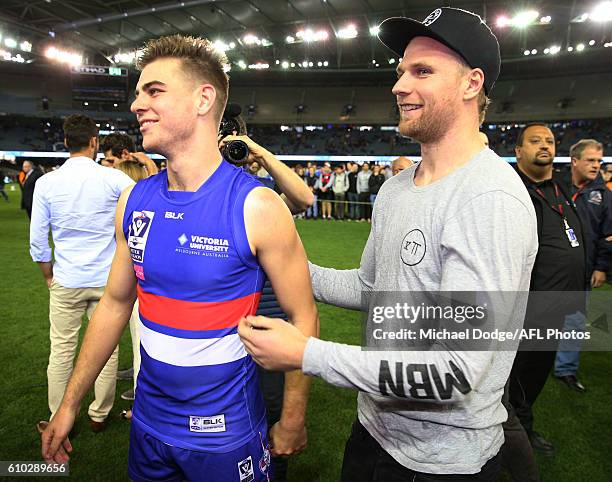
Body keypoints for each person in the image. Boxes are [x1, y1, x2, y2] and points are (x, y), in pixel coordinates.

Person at [238, 7, 538, 481]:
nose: (399, 86)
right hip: (373, 434)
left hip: (442, 462)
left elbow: (456, 373)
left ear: (471, 83)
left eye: (423, 71)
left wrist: (307, 354)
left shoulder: (490, 198)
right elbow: (372, 288)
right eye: (401, 72)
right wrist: (280, 260)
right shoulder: (398, 188)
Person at [41, 35, 318, 482]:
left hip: (226, 434)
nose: (136, 105)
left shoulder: (257, 207)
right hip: (149, 427)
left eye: (154, 91)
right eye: (137, 93)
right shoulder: (133, 201)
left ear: (203, 99)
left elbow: (303, 316)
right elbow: (114, 304)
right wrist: (70, 403)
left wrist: (292, 418)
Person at [30, 114, 134, 435]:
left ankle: (60, 414)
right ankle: (98, 415)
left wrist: (48, 275)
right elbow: (142, 206)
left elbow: (37, 239)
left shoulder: (47, 182)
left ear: (65, 142)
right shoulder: (114, 179)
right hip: (107, 281)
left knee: (61, 349)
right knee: (108, 348)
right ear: (94, 142)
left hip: (67, 278)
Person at [509, 123, 586, 457]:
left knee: (534, 378)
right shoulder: (512, 191)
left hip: (557, 307)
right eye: (535, 140)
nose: (544, 145)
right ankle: (513, 442)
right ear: (518, 151)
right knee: (518, 381)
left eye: (550, 141)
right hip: (527, 310)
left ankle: (519, 433)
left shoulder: (559, 188)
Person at [554, 139, 611, 392]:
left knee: (575, 321)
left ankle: (565, 369)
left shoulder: (605, 196)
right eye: (590, 160)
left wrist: (601, 267)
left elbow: (608, 235)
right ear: (574, 161)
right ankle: (529, 361)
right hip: (550, 267)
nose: (596, 165)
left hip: (583, 269)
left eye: (599, 161)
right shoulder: (554, 187)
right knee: (538, 315)